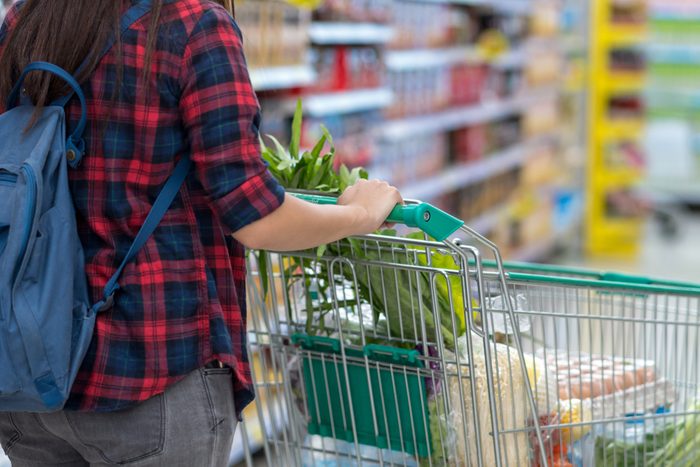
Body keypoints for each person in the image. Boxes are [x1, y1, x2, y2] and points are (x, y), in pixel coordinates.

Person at [0, 1, 402, 466]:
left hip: (29, 375)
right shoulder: (193, 26)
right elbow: (255, 214)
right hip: (149, 375)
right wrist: (359, 215)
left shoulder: (28, 18)